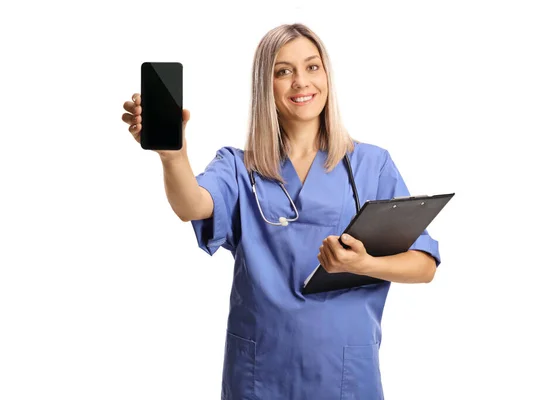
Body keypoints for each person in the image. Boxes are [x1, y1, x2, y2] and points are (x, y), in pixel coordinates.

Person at [121, 23, 441, 400]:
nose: (301, 82)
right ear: (265, 86)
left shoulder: (372, 165)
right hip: (260, 375)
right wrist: (173, 157)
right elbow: (193, 205)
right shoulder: (239, 167)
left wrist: (363, 265)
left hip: (344, 375)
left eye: (312, 67)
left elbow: (424, 265)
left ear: (327, 76)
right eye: (283, 71)